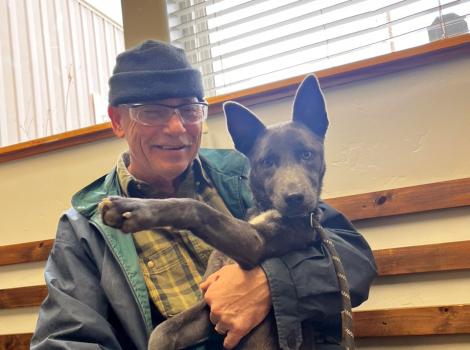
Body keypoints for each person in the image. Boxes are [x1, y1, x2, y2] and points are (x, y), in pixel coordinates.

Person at [31, 40, 377, 350]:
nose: (176, 127)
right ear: (118, 121)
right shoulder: (85, 228)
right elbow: (64, 341)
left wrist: (272, 285)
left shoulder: (253, 173)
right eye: (152, 112)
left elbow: (354, 261)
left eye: (188, 109)